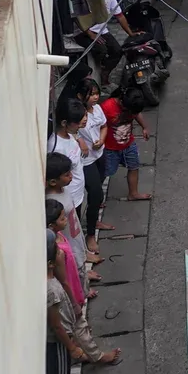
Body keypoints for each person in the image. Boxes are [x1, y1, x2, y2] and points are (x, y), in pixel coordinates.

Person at [48, 200, 121, 365]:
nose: (65, 219)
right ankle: (97, 356)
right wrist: (74, 301)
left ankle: (82, 349)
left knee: (77, 325)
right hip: (70, 293)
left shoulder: (59, 237)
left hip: (75, 286)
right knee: (79, 324)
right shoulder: (56, 253)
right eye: (61, 218)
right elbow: (65, 281)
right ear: (51, 225)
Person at [46, 231, 91, 374]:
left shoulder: (51, 281)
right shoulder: (51, 290)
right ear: (50, 263)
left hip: (61, 338)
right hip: (58, 343)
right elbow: (56, 326)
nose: (61, 253)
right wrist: (71, 346)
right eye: (57, 251)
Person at [75, 79, 115, 253]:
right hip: (87, 161)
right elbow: (71, 130)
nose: (95, 97)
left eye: (96, 93)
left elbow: (104, 126)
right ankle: (90, 235)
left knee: (98, 191)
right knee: (96, 191)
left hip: (100, 153)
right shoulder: (77, 113)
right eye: (91, 94)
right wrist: (80, 140)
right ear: (80, 96)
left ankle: (94, 218)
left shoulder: (98, 109)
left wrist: (102, 139)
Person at [46, 152, 93, 289]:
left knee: (81, 267)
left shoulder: (64, 191)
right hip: (68, 245)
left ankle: (84, 287)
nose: (71, 176)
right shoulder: (51, 202)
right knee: (75, 272)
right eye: (67, 175)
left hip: (76, 237)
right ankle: (82, 292)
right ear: (53, 181)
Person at [101, 87, 151, 201]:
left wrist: (145, 127)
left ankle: (133, 193)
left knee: (134, 166)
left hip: (129, 144)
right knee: (105, 173)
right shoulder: (107, 107)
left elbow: (137, 114)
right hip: (110, 148)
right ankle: (97, 199)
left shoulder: (133, 107)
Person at [87, 0, 134, 86]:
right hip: (88, 32)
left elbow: (120, 16)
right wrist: (89, 33)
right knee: (102, 50)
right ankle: (99, 72)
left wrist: (131, 34)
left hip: (103, 31)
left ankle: (105, 74)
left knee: (118, 51)